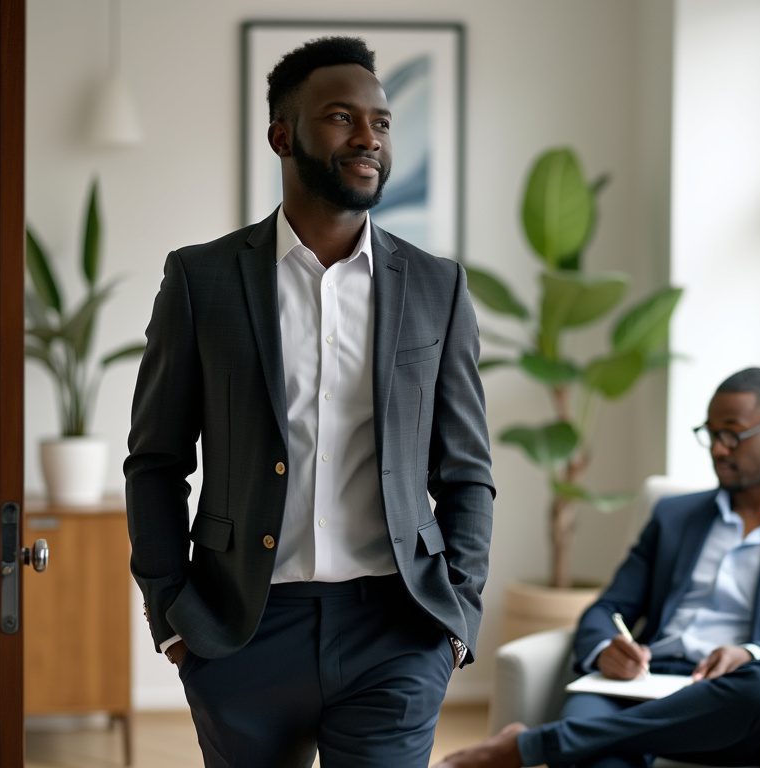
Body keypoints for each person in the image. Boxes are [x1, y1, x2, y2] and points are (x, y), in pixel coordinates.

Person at [124, 36, 494, 768]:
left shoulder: (435, 286)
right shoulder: (203, 280)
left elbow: (466, 470)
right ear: (282, 136)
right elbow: (157, 461)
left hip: (396, 627)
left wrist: (458, 612)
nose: (369, 138)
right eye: (341, 117)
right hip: (242, 632)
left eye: (382, 122)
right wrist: (171, 614)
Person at [437, 367, 760, 768]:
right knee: (597, 756)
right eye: (709, 434)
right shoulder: (674, 517)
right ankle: (557, 743)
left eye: (731, 433)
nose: (717, 449)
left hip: (729, 698)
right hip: (639, 684)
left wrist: (751, 653)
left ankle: (531, 746)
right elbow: (606, 608)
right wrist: (608, 648)